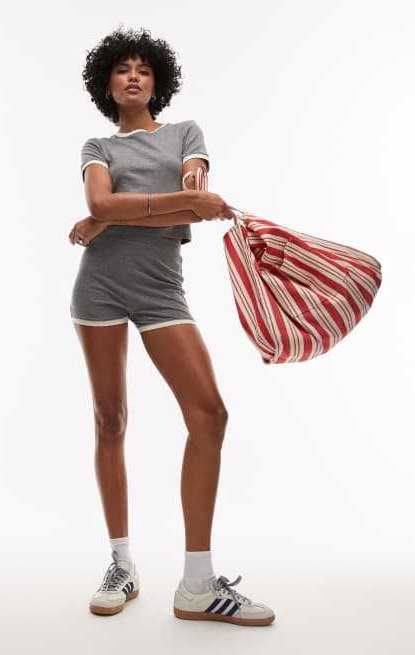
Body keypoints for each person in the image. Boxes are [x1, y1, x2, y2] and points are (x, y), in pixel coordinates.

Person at [69, 26, 275, 627]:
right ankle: (121, 565)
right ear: (107, 84)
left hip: (162, 291)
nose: (133, 76)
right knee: (111, 420)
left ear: (157, 81)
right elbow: (105, 203)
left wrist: (113, 216)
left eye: (144, 69)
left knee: (209, 415)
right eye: (122, 69)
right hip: (99, 286)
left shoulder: (186, 134)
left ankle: (198, 585)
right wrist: (109, 215)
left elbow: (194, 196)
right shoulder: (96, 146)